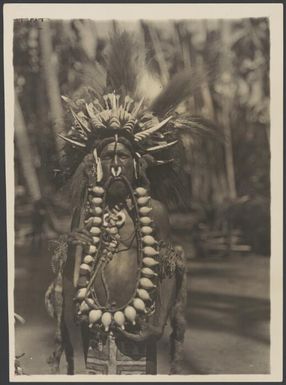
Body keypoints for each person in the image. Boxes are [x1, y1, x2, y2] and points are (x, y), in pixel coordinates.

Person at [45, 32, 212, 375]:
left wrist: (160, 321)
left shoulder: (154, 212)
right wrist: (69, 317)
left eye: (123, 154)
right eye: (109, 156)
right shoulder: (86, 211)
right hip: (93, 332)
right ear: (97, 164)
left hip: (138, 331)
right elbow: (70, 269)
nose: (117, 163)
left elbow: (166, 270)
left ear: (139, 165)